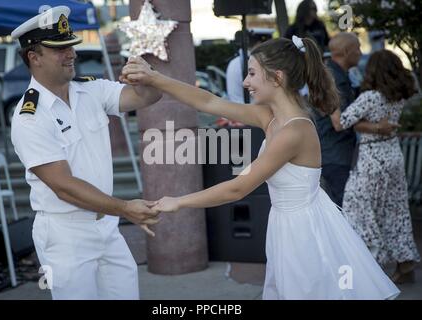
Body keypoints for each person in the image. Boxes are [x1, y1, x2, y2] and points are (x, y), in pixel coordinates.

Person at [122, 36, 400, 299]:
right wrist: (154, 78)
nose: (245, 82)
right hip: (286, 224)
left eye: (252, 73)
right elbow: (207, 101)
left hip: (304, 231)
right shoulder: (270, 117)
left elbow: (238, 188)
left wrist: (178, 202)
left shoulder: (294, 131)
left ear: (277, 77)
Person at [10, 6, 162, 300]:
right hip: (65, 234)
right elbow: (64, 187)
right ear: (34, 57)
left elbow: (147, 98)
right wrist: (125, 208)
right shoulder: (29, 117)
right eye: (59, 48)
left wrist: (147, 78)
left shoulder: (90, 90)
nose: (71, 54)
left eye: (70, 46)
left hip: (106, 225)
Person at [331, 50, 421, 284]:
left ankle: (372, 262)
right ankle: (405, 264)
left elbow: (341, 122)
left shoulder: (370, 96)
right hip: (393, 154)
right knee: (396, 211)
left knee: (358, 209)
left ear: (372, 70)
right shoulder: (398, 95)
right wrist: (374, 127)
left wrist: (329, 101)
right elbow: (377, 124)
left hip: (372, 159)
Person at [313, 32, 398, 207]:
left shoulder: (340, 74)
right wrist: (378, 128)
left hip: (339, 153)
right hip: (335, 155)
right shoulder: (333, 78)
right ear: (345, 52)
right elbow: (339, 122)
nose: (360, 52)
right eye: (357, 48)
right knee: (347, 210)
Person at [226, 29, 272, 104]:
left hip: (240, 108)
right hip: (250, 110)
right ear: (259, 44)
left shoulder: (235, 61)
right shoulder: (251, 62)